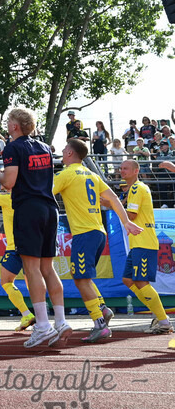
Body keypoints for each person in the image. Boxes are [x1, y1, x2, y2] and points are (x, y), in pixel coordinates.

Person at [52, 138, 139, 343]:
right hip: (99, 232)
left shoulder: (66, 174)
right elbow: (114, 199)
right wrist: (125, 221)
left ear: (71, 153)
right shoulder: (91, 174)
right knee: (84, 277)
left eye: (65, 150)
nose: (62, 152)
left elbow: (43, 193)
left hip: (85, 233)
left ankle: (99, 323)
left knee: (80, 278)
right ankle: (102, 308)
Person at [0, 107, 70, 348]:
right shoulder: (43, 147)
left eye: (9, 121)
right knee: (47, 267)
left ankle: (42, 325)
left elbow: (9, 182)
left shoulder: (13, 147)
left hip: (29, 209)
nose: (7, 124)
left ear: (15, 126)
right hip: (50, 209)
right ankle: (60, 321)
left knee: (31, 269)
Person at [117, 160, 171, 334]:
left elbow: (131, 215)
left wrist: (113, 205)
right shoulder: (138, 188)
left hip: (144, 242)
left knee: (140, 281)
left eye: (125, 168)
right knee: (128, 279)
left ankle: (163, 321)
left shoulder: (136, 188)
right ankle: (160, 316)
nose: (121, 171)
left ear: (135, 171)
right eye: (121, 168)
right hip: (139, 243)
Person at [0, 175, 35, 330]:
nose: (1, 183)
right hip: (32, 245)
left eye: (3, 180)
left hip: (15, 247)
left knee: (6, 281)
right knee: (34, 281)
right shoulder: (29, 196)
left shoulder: (7, 198)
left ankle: (27, 314)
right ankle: (41, 315)